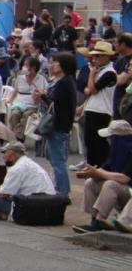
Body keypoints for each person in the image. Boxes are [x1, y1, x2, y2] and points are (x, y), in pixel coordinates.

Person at [73, 119, 132, 232]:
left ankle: (100, 221)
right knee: (91, 182)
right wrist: (90, 173)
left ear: (119, 139)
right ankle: (94, 220)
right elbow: (103, 171)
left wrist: (98, 172)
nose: (107, 140)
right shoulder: (114, 154)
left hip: (129, 195)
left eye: (110, 137)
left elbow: (124, 178)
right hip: (123, 193)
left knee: (111, 184)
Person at [34, 52, 78, 195]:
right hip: (58, 125)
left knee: (58, 161)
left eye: (55, 63)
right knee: (56, 159)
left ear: (64, 65)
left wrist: (43, 96)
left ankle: (62, 192)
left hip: (59, 125)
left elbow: (56, 103)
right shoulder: (60, 81)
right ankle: (59, 187)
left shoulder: (65, 82)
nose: (51, 65)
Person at [0, 141, 56, 222]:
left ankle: (10, 213)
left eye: (4, 153)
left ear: (12, 154)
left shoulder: (16, 168)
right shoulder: (30, 163)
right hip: (50, 203)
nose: (3, 156)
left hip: (32, 205)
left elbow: (5, 194)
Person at [80, 40, 117, 168]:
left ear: (107, 56)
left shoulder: (110, 73)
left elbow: (92, 89)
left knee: (98, 143)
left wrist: (91, 76)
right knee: (89, 142)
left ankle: (101, 168)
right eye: (94, 56)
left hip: (102, 111)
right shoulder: (100, 70)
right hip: (92, 109)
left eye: (98, 56)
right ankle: (91, 167)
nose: (95, 59)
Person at [5, 56, 48, 142]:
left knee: (26, 115)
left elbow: (44, 93)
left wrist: (38, 94)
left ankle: (17, 138)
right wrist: (10, 100)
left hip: (32, 104)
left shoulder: (41, 79)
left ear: (33, 67)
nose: (24, 67)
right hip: (20, 102)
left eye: (26, 65)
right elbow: (15, 91)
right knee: (14, 114)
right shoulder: (20, 78)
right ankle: (19, 137)